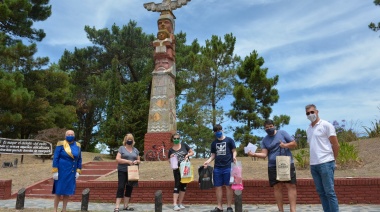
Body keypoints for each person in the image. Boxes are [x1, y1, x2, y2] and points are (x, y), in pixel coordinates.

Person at [248, 119, 297, 212]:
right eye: (267, 127)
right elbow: (264, 154)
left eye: (271, 126)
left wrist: (285, 145)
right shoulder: (264, 140)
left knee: (291, 186)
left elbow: (294, 144)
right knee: (277, 187)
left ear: (274, 126)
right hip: (272, 166)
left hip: (286, 163)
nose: (269, 128)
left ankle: (293, 210)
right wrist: (254, 154)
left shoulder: (282, 133)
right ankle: (280, 210)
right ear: (264, 129)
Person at [305, 104, 340, 212]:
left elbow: (336, 145)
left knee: (329, 192)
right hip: (314, 165)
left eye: (312, 112)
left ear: (317, 111)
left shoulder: (326, 125)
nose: (310, 114)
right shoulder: (308, 129)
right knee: (321, 192)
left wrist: (333, 159)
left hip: (326, 162)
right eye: (308, 113)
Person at [204, 124, 237, 212]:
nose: (218, 132)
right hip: (217, 168)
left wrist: (234, 157)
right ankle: (219, 207)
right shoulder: (214, 143)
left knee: (228, 186)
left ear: (222, 130)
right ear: (214, 132)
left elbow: (234, 151)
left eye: (219, 130)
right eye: (216, 131)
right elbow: (213, 155)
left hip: (228, 167)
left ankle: (229, 206)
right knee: (218, 187)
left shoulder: (229, 140)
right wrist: (208, 161)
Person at [52, 130, 82, 212]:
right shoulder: (61, 144)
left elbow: (79, 159)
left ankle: (64, 209)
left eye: (72, 134)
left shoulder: (78, 145)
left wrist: (78, 171)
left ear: (74, 136)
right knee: (58, 191)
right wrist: (55, 171)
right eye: (68, 134)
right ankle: (55, 210)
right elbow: (56, 158)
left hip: (71, 171)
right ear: (65, 136)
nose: (70, 135)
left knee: (67, 191)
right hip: (61, 171)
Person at [114, 133, 141, 212]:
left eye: (131, 139)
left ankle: (126, 206)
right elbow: (117, 159)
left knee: (129, 188)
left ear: (133, 141)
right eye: (128, 139)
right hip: (122, 170)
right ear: (125, 140)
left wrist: (137, 161)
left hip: (132, 171)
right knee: (121, 187)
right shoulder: (121, 148)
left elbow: (139, 160)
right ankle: (117, 207)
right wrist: (127, 161)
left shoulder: (135, 150)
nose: (129, 141)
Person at [168, 133, 194, 211]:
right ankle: (175, 204)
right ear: (172, 139)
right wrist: (171, 157)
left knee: (183, 186)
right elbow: (169, 161)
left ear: (180, 139)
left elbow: (192, 152)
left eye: (177, 138)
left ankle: (180, 203)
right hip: (176, 169)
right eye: (175, 138)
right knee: (177, 185)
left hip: (185, 169)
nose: (176, 140)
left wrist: (187, 155)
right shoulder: (171, 150)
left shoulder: (184, 145)